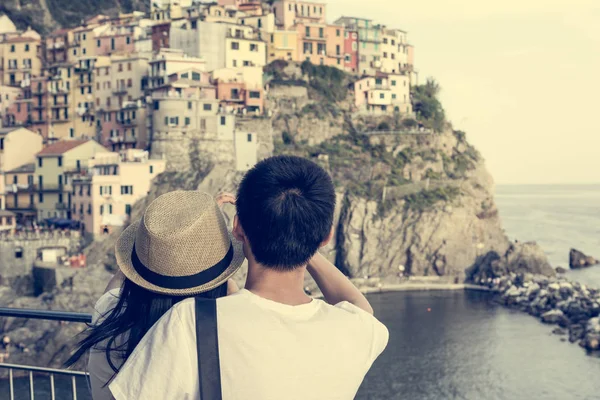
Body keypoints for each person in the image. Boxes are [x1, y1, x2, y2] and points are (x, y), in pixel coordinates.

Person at [109, 155, 389, 400]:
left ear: (238, 228)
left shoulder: (191, 323)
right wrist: (303, 238)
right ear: (326, 237)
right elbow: (358, 305)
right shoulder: (356, 331)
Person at [65, 191, 245, 400]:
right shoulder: (211, 344)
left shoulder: (109, 314)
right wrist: (208, 235)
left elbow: (117, 282)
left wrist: (157, 248)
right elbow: (235, 297)